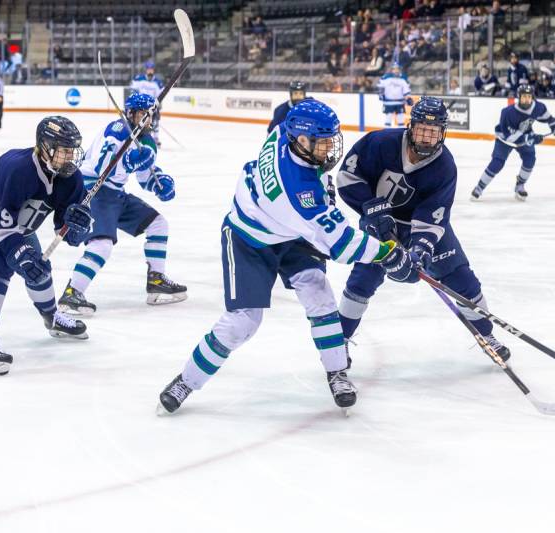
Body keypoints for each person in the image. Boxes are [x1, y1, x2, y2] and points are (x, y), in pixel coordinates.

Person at [156, 100, 415, 414]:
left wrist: (325, 189)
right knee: (243, 321)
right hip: (248, 239)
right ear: (302, 141)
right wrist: (386, 252)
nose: (329, 149)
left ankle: (337, 372)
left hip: (287, 231)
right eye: (322, 143)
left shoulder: (283, 132)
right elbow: (343, 245)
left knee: (319, 294)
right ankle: (187, 380)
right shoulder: (299, 192)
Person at [336, 97, 511, 364]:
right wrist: (370, 208)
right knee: (362, 280)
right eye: (422, 129)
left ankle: (487, 336)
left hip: (422, 228)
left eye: (433, 131)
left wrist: (419, 249)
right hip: (380, 225)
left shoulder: (444, 166)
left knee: (462, 281)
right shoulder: (380, 143)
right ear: (411, 126)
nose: (427, 137)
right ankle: (339, 343)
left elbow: (433, 216)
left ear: (443, 133)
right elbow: (348, 178)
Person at [0, 116, 93, 375]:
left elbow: (71, 238)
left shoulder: (71, 179)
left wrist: (80, 226)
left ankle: (52, 318)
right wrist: (21, 255)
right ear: (45, 148)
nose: (70, 157)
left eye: (72, 150)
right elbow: (5, 230)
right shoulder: (18, 169)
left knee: (38, 267)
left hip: (18, 215)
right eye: (63, 150)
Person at [59, 93, 186, 315]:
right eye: (143, 115)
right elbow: (102, 168)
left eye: (150, 115)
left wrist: (160, 183)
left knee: (158, 224)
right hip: (93, 189)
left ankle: (156, 280)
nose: (148, 120)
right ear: (131, 113)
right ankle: (72, 293)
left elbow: (146, 176)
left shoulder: (147, 141)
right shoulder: (117, 131)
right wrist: (127, 161)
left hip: (116, 194)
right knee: (101, 244)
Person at [471, 84, 555, 201]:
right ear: (519, 97)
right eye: (524, 96)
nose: (527, 99)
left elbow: (549, 119)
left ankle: (520, 186)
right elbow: (510, 138)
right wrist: (530, 138)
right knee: (497, 163)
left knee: (530, 159)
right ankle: (479, 187)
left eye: (529, 97)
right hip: (504, 139)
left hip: (525, 135)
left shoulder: (538, 107)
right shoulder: (507, 113)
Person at [130, 60, 164, 145]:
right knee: (140, 122)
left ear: (153, 70)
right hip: (141, 106)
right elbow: (132, 89)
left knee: (155, 122)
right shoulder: (139, 79)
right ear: (146, 69)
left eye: (151, 69)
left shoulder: (158, 82)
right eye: (148, 69)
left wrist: (158, 105)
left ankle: (155, 138)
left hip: (152, 106)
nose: (150, 71)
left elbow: (161, 95)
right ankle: (140, 136)